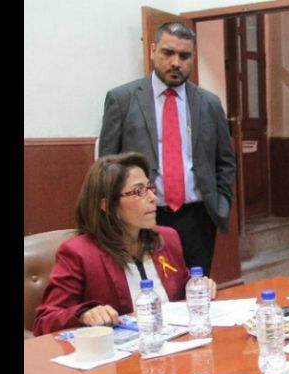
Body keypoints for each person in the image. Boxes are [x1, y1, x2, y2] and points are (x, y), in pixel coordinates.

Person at [98, 22, 236, 276]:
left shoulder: (209, 103)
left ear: (193, 57)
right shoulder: (122, 99)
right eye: (168, 52)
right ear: (152, 50)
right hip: (140, 218)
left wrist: (221, 204)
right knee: (148, 287)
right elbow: (106, 166)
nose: (175, 62)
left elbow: (225, 161)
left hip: (198, 218)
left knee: (196, 288)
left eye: (184, 56)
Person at [33, 152, 218, 336]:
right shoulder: (79, 253)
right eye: (139, 191)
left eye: (150, 188)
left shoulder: (167, 238)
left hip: (177, 342)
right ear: (108, 206)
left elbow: (179, 288)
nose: (153, 198)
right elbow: (45, 320)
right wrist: (84, 314)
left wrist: (199, 286)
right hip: (121, 351)